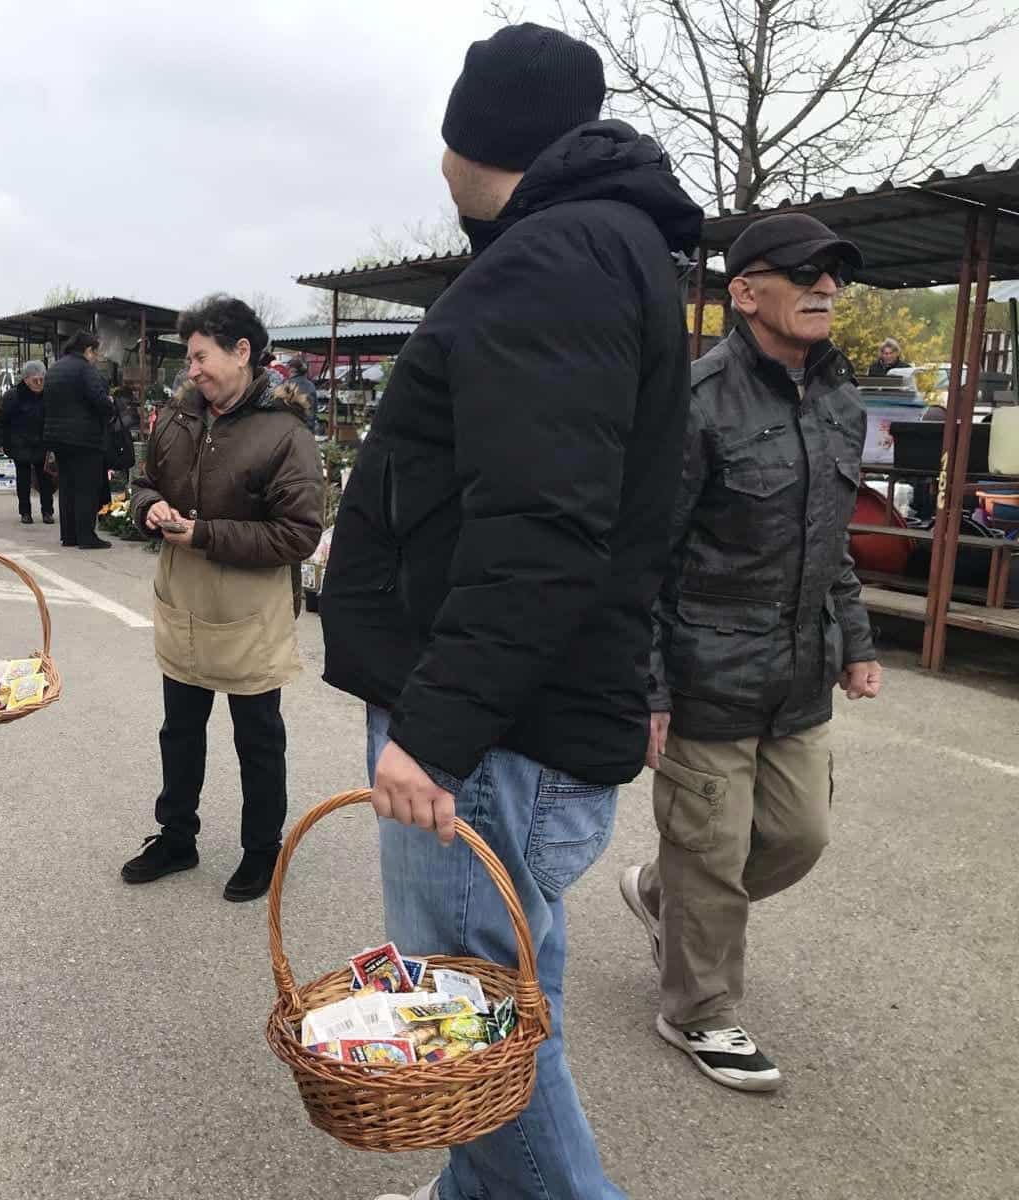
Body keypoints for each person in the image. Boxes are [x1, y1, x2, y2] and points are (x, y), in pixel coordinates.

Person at [315, 26, 703, 1200]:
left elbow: (541, 527)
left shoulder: (554, 257)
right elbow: (616, 507)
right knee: (500, 999)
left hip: (486, 736)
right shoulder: (607, 246)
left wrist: (433, 728)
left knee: (475, 1024)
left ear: (468, 136)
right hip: (521, 714)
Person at [621, 213, 884, 1094]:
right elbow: (647, 555)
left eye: (834, 275)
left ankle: (666, 897)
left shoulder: (844, 400)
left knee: (798, 836)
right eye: (805, 272)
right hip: (706, 674)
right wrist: (649, 685)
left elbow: (832, 541)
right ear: (744, 291)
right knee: (711, 846)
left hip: (801, 673)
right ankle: (696, 1009)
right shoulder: (694, 402)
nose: (826, 288)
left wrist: (856, 642)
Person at [124, 295, 323, 901]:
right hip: (184, 595)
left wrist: (205, 533)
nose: (193, 371)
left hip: (248, 604)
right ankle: (176, 836)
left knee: (257, 736)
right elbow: (142, 481)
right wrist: (146, 506)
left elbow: (299, 532)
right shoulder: (180, 418)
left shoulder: (285, 434)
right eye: (190, 359)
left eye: (201, 357)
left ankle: (263, 849)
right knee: (179, 729)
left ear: (242, 352)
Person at [43, 330, 114, 550]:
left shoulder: (55, 368)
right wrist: (110, 403)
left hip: (58, 438)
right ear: (88, 350)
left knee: (67, 486)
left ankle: (69, 535)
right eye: (95, 352)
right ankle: (86, 536)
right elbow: (99, 399)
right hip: (84, 438)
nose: (96, 357)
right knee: (86, 487)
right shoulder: (85, 369)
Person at [0, 360, 54, 525]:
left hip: (42, 442)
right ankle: (25, 512)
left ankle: (47, 511)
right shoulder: (14, 396)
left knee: (45, 480)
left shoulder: (49, 394)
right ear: (26, 380)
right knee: (23, 479)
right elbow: (0, 419)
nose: (39, 383)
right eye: (35, 380)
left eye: (42, 379)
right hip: (20, 443)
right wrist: (0, 441)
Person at [283, 357, 319, 433]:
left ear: (292, 370)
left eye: (288, 368)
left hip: (291, 429)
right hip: (308, 428)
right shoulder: (311, 385)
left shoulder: (287, 385)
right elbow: (315, 407)